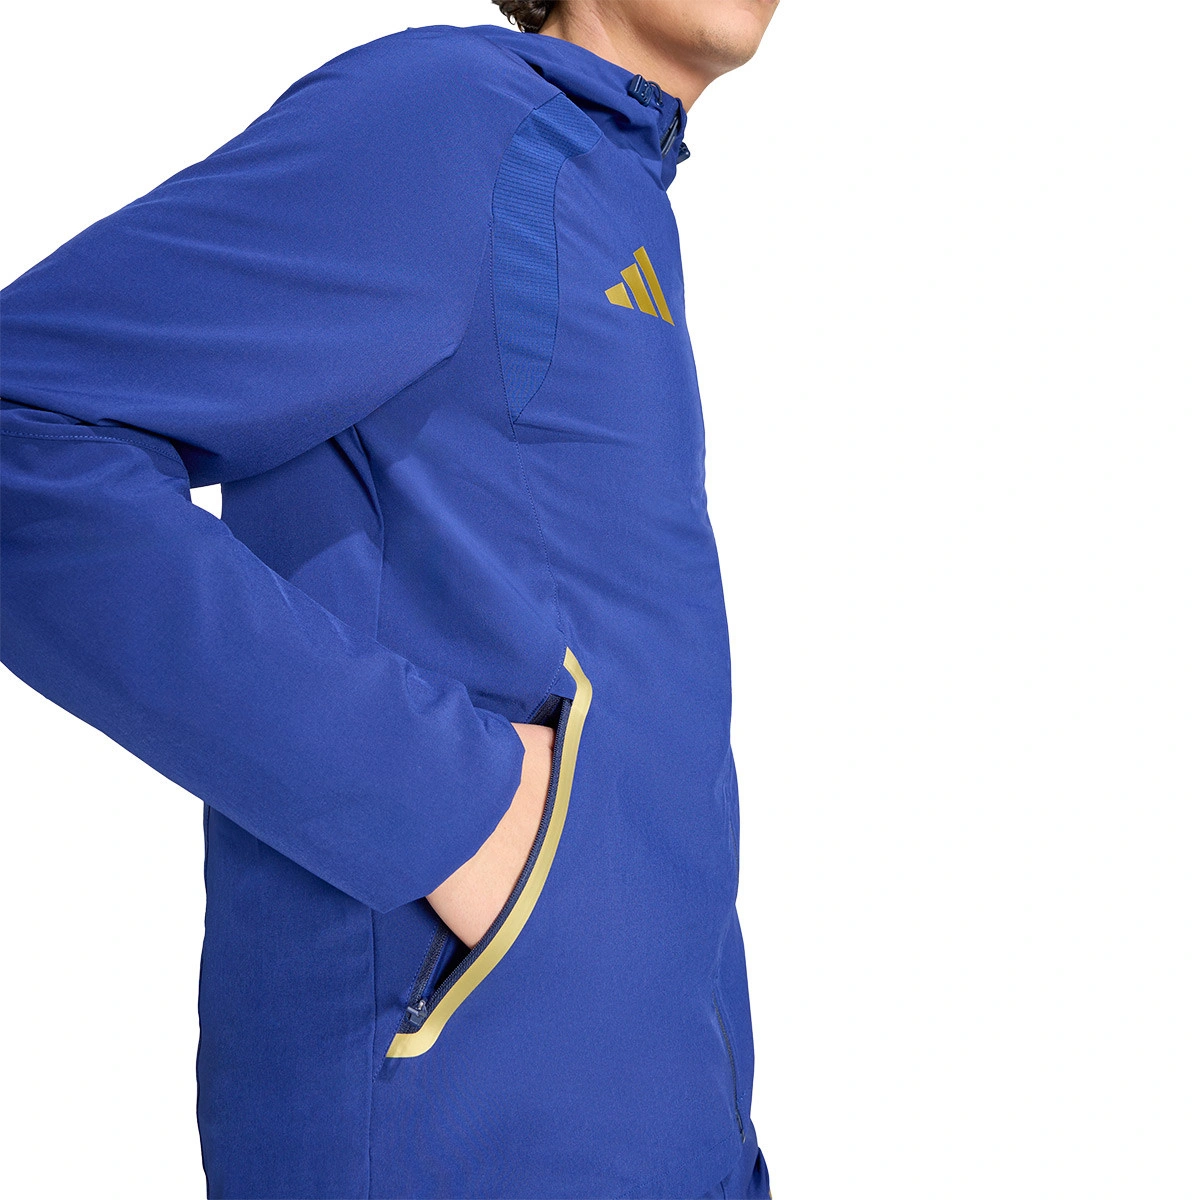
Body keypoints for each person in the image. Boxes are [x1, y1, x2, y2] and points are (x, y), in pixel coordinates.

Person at [0, 0, 779, 1194]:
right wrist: (453, 808)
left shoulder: (609, 185)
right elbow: (23, 432)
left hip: (660, 1139)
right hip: (460, 1139)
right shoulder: (449, 121)